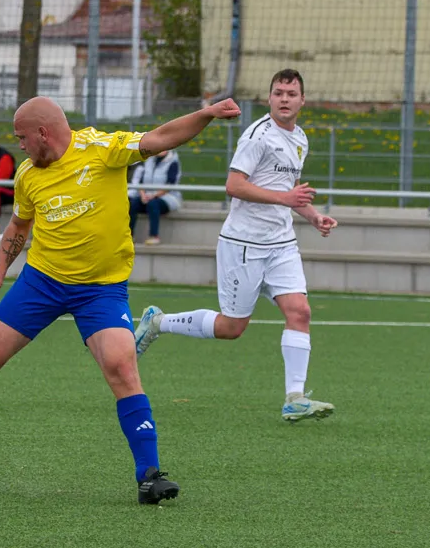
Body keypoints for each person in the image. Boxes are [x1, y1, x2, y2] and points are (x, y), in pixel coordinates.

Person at [0, 94, 242, 505]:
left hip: (100, 290)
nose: (20, 145)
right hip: (41, 283)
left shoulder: (102, 149)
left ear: (43, 133)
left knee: (121, 366)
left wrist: (206, 113)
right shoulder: (28, 174)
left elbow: (161, 137)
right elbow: (18, 226)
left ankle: (149, 476)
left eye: (22, 137)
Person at [135, 69, 339, 424]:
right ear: (269, 98)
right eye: (279, 93)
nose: (285, 99)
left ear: (302, 100)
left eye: (291, 93)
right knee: (232, 327)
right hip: (244, 243)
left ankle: (294, 398)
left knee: (300, 312)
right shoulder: (258, 136)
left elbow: (288, 191)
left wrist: (313, 216)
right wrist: (285, 198)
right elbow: (234, 185)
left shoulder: (300, 138)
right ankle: (158, 322)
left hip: (281, 244)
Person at [128, 148, 182, 243]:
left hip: (167, 198)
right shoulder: (148, 161)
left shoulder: (173, 162)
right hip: (148, 197)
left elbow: (170, 185)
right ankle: (129, 236)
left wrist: (154, 196)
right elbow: (140, 182)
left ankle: (154, 236)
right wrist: (143, 195)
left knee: (153, 204)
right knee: (133, 204)